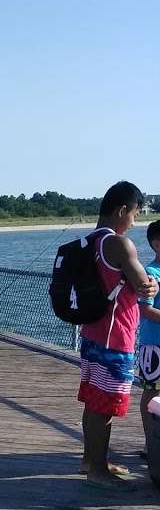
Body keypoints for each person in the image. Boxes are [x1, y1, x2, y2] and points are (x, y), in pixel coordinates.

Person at [78, 181, 157, 486]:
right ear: (122, 210)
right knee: (105, 404)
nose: (134, 222)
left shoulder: (91, 240)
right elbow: (144, 285)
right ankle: (98, 471)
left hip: (91, 331)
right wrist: (155, 284)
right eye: (135, 214)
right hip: (115, 336)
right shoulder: (119, 243)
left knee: (93, 401)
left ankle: (91, 460)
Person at [137, 221, 160, 454]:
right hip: (154, 345)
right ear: (156, 244)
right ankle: (150, 442)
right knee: (152, 392)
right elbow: (145, 310)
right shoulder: (150, 273)